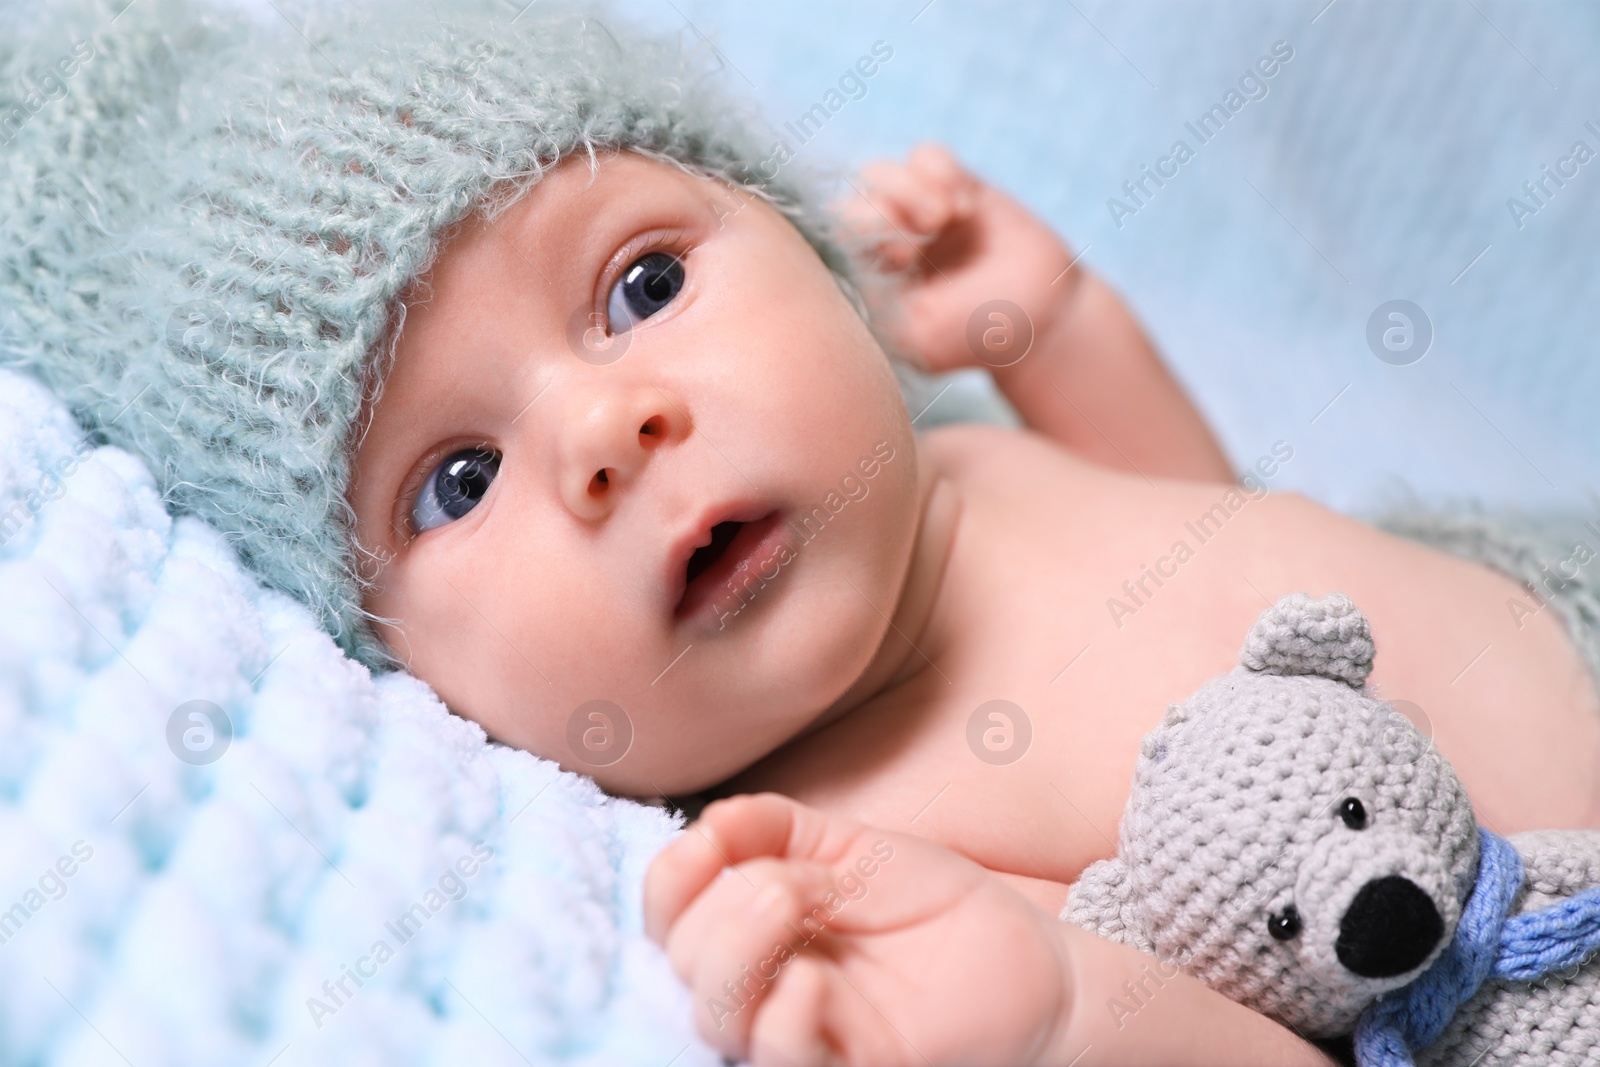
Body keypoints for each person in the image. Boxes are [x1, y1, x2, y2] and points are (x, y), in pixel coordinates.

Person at [10, 1, 1597, 1062]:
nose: (602, 434)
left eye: (643, 286)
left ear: (806, 249)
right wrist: (1044, 1009)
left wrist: (1058, 325)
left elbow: (1226, 527)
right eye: (458, 480)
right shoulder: (855, 831)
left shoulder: (967, 465)